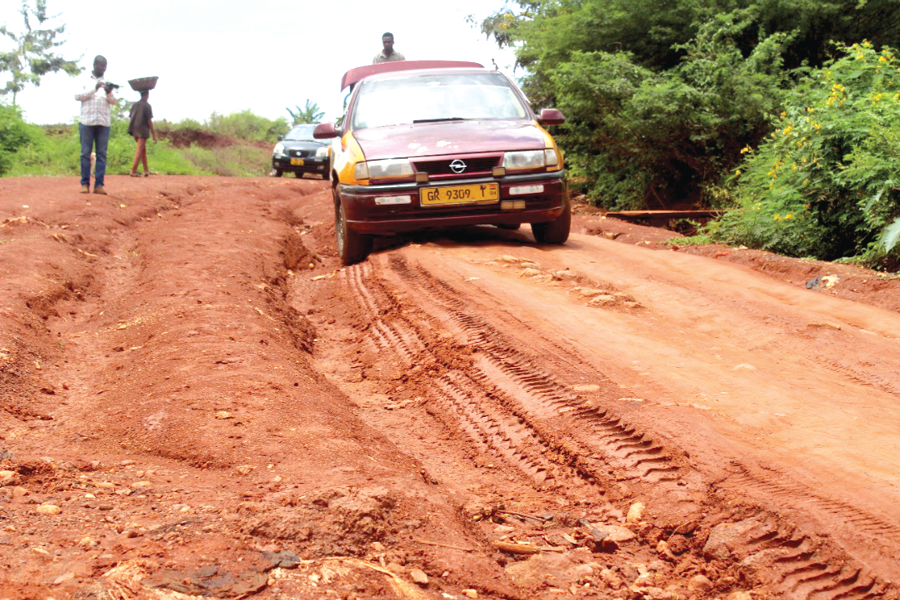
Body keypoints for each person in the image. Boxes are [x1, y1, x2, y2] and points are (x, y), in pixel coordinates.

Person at [74, 55, 117, 195]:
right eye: (100, 66)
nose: (103, 69)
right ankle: (85, 184)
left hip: (103, 123)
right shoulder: (84, 79)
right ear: (94, 65)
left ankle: (99, 185)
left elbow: (114, 102)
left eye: (105, 66)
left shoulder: (107, 82)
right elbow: (77, 96)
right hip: (87, 121)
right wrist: (95, 88)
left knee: (102, 154)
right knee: (85, 153)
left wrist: (109, 93)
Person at [128, 90, 158, 177]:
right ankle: (133, 171)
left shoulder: (134, 105)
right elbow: (149, 121)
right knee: (139, 149)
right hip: (142, 130)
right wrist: (153, 134)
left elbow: (131, 116)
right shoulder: (147, 106)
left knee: (142, 149)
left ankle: (146, 170)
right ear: (147, 95)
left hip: (134, 129)